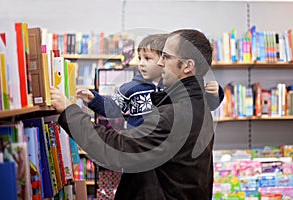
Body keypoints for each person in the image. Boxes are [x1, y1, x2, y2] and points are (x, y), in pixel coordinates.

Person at [51, 28, 216, 199]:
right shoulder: (199, 106)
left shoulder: (172, 116)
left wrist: (69, 112)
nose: (160, 63)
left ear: (188, 66)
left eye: (166, 57)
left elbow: (116, 149)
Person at [77, 33, 224, 129]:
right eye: (139, 58)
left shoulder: (175, 88)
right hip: (138, 146)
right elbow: (113, 109)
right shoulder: (130, 88)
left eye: (147, 58)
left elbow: (202, 105)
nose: (141, 63)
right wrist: (93, 99)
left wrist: (216, 93)